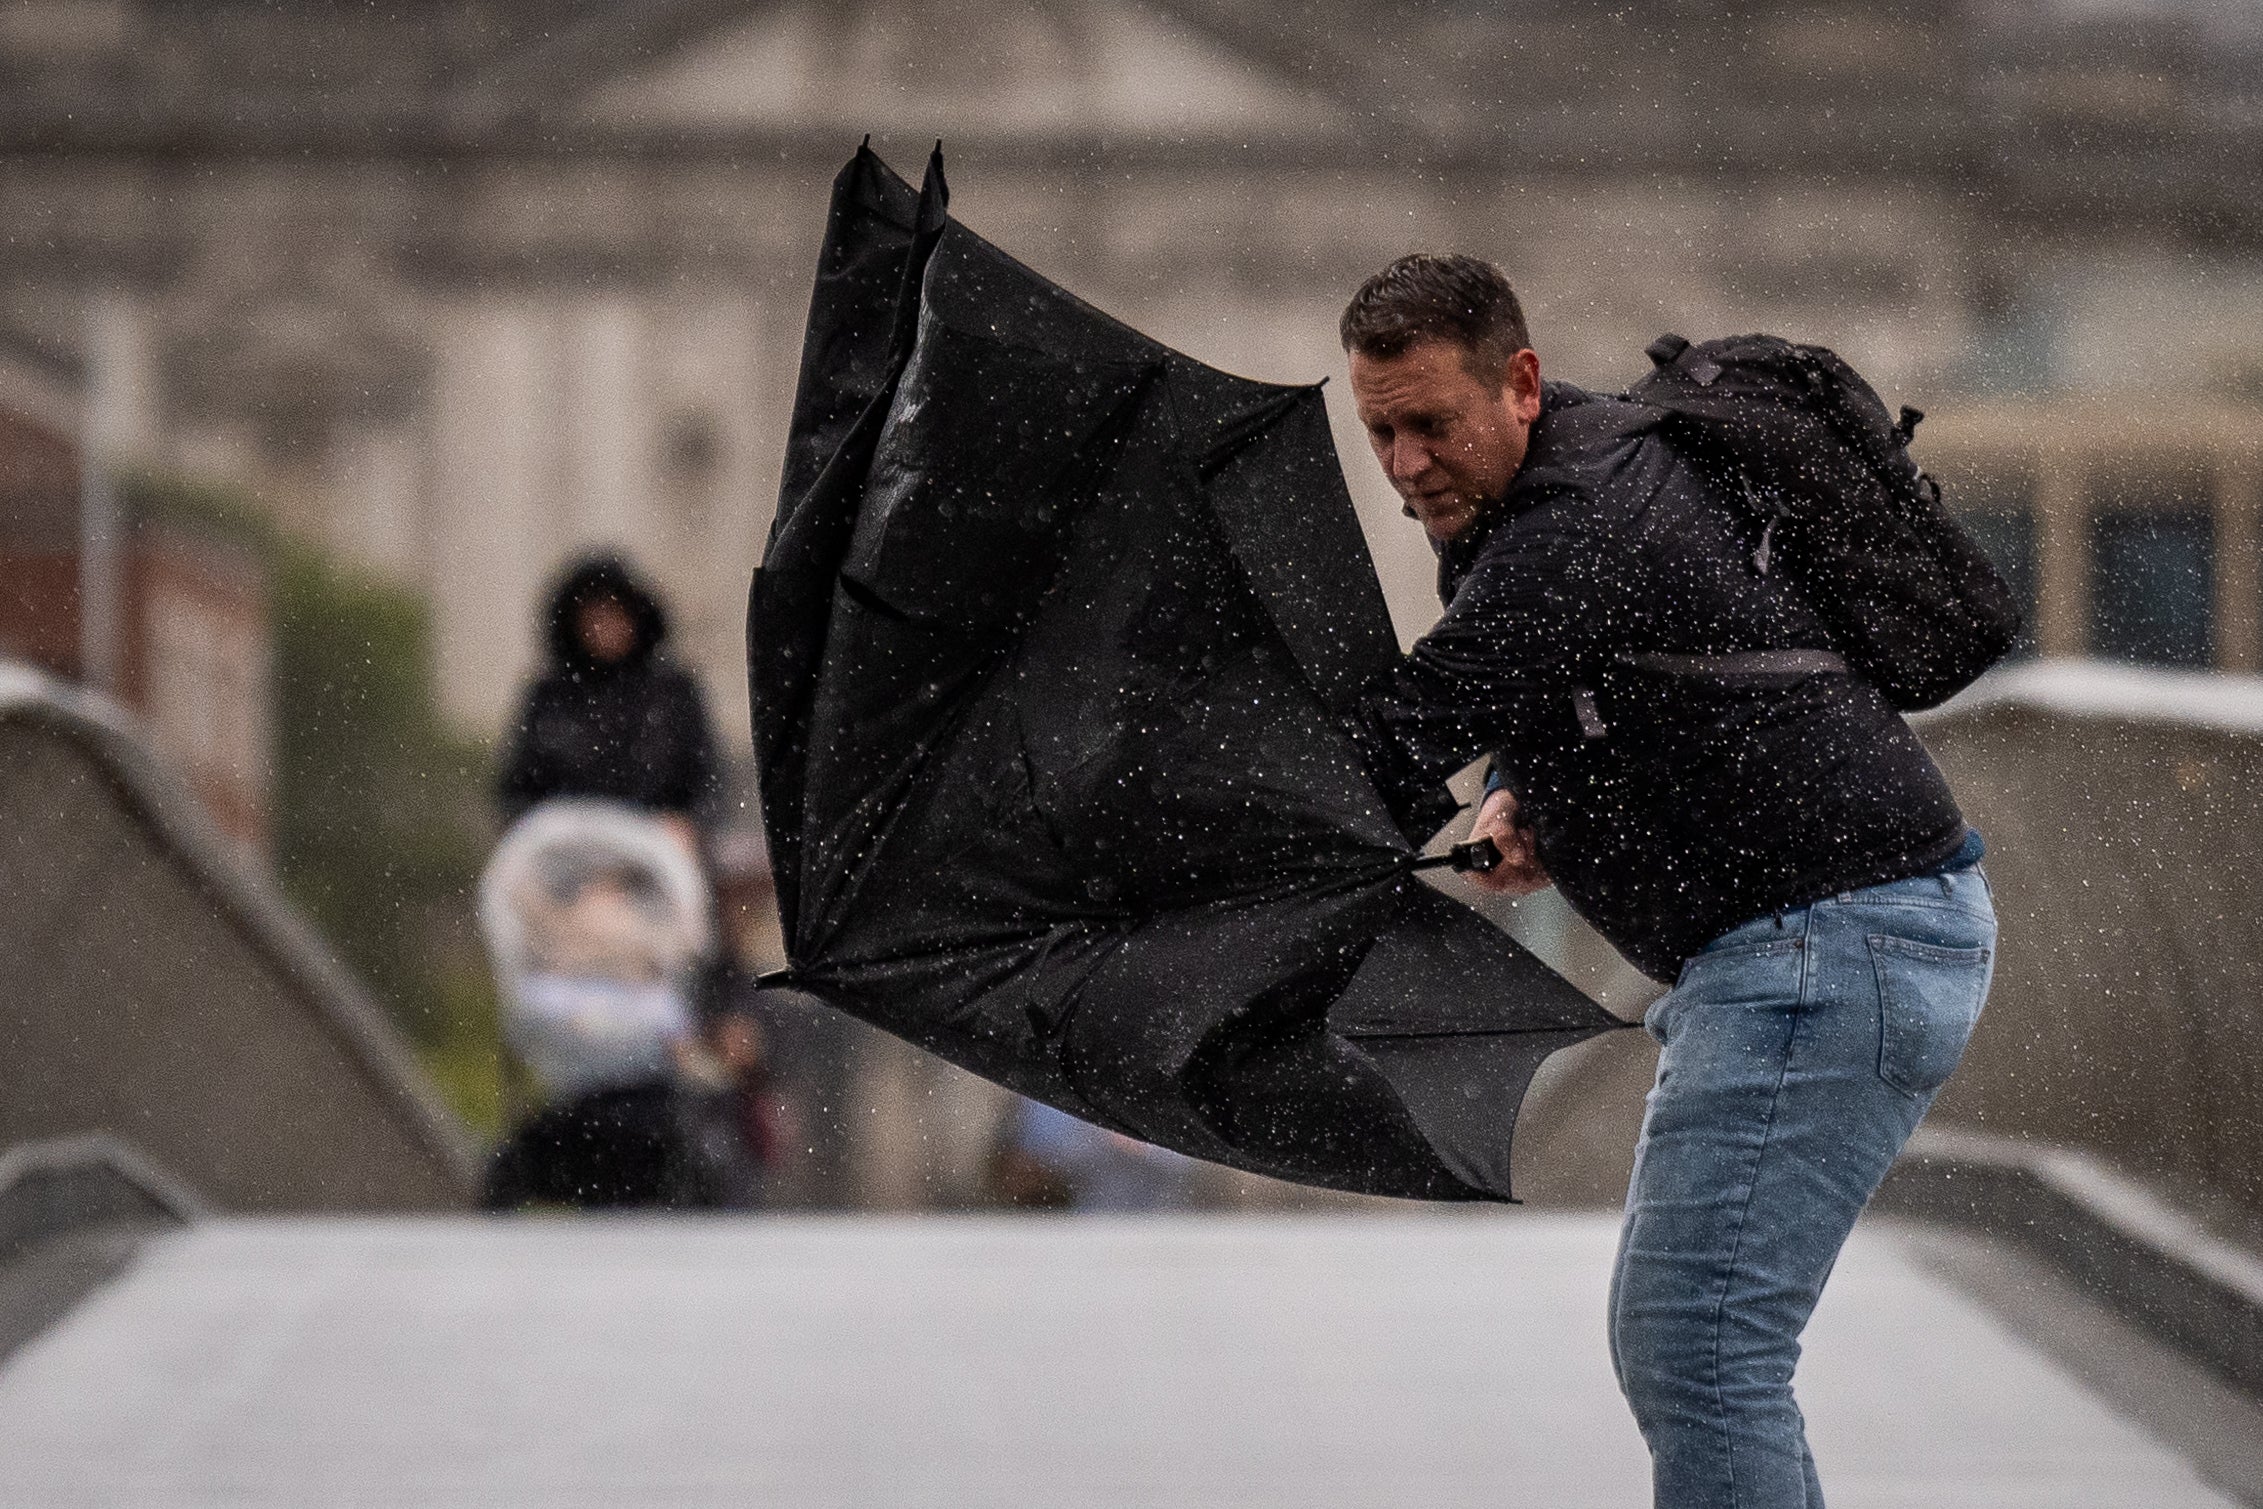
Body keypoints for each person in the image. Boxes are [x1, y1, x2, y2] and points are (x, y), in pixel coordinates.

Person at [1338, 254, 1996, 1508]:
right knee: (1702, 1350)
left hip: (1828, 947)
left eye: (1431, 423)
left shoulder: (1571, 525)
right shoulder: (1565, 497)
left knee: (1701, 1351)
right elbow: (1634, 683)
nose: (1407, 462)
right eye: (1379, 431)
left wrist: (1133, 802)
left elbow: (1382, 743)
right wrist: (1538, 805)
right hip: (1834, 940)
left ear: (1520, 383)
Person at [498, 554, 723, 842]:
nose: (604, 627)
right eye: (593, 615)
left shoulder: (673, 691)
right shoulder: (550, 695)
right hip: (567, 854)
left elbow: (710, 784)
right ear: (574, 622)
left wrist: (687, 824)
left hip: (658, 856)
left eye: (614, 614)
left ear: (635, 616)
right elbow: (516, 792)